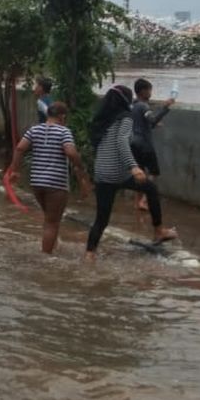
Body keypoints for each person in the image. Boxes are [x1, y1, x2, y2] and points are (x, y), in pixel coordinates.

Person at [84, 84, 175, 262]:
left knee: (101, 220)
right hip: (119, 174)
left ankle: (89, 254)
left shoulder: (102, 120)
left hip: (102, 174)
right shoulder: (125, 118)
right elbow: (121, 143)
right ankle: (159, 231)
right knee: (150, 189)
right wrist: (134, 167)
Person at [6, 101, 91, 253]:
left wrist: (15, 171)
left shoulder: (34, 129)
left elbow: (19, 148)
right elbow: (71, 153)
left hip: (37, 183)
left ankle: (53, 245)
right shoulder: (64, 131)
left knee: (49, 218)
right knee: (52, 222)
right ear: (62, 116)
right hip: (56, 184)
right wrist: (81, 167)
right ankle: (46, 257)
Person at [130, 78, 174, 226]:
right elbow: (152, 119)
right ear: (143, 91)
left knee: (140, 173)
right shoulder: (143, 106)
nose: (150, 93)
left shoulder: (132, 105)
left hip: (133, 143)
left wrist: (153, 125)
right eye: (149, 90)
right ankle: (144, 200)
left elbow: (141, 124)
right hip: (144, 144)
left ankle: (137, 202)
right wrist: (165, 107)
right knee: (154, 172)